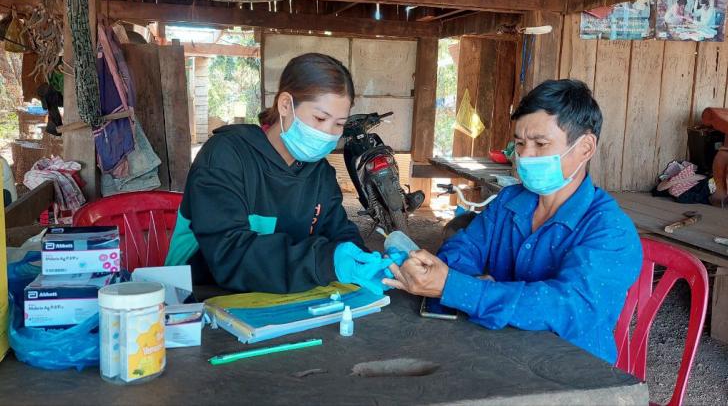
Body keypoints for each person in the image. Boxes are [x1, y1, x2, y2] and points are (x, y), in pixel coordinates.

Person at [384, 79, 642, 364]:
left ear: (585, 148)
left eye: (540, 143)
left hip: (572, 369)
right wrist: (465, 282)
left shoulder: (611, 231)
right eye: (519, 143)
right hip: (500, 351)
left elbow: (567, 307)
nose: (525, 156)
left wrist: (461, 289)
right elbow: (462, 249)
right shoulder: (510, 202)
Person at [166, 53, 393, 295]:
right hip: (198, 296)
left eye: (338, 124)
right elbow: (228, 254)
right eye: (320, 118)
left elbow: (338, 231)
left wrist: (362, 259)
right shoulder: (225, 156)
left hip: (276, 299)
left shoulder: (320, 173)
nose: (328, 134)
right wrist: (326, 261)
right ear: (285, 105)